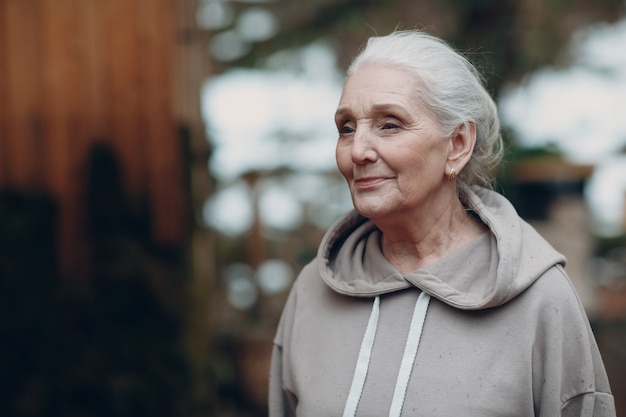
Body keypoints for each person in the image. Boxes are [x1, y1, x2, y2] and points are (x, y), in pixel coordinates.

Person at [268, 30, 615, 417]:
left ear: (458, 144)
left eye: (390, 125)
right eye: (347, 128)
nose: (358, 151)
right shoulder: (313, 289)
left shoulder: (541, 299)